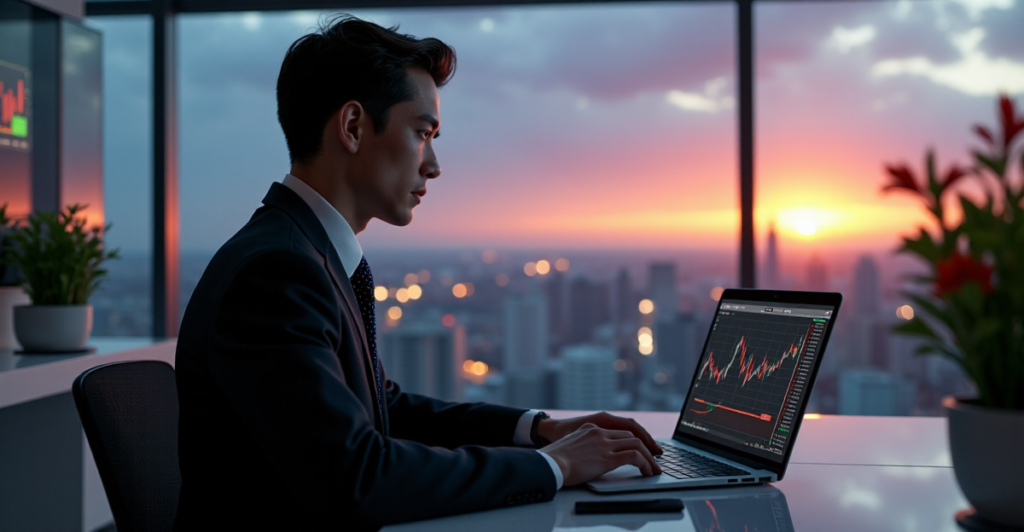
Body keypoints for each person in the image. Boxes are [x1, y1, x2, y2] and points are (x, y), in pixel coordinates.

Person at [174, 15, 662, 531]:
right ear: (354, 127)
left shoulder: (305, 255)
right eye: (422, 133)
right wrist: (557, 466)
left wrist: (537, 431)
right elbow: (356, 478)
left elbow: (386, 410)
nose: (434, 164)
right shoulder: (276, 273)